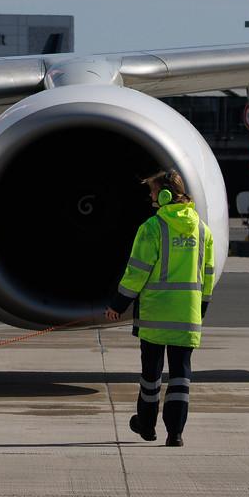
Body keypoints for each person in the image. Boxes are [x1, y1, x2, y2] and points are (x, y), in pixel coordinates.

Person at [103, 170, 215, 447]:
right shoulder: (202, 230)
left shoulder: (152, 228)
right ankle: (175, 433)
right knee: (181, 376)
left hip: (155, 314)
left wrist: (118, 304)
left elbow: (136, 273)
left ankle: (147, 425)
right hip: (187, 314)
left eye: (153, 192)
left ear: (165, 195)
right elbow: (208, 273)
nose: (151, 197)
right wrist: (201, 306)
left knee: (151, 375)